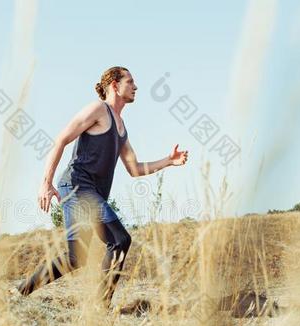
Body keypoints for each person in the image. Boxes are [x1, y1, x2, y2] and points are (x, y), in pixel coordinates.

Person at [17, 66, 189, 307]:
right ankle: (100, 306)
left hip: (89, 193)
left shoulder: (121, 128)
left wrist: (168, 161)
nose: (136, 87)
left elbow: (135, 169)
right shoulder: (98, 110)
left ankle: (20, 293)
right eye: (130, 82)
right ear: (115, 86)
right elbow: (62, 139)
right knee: (119, 239)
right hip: (77, 185)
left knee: (77, 256)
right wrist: (46, 182)